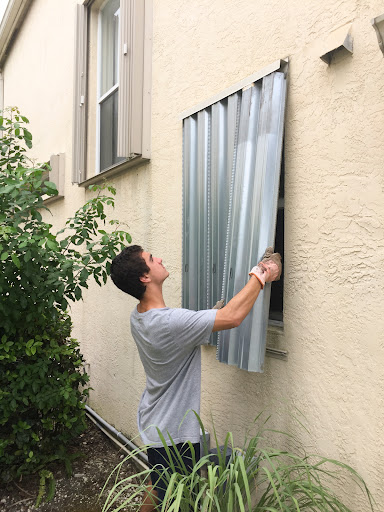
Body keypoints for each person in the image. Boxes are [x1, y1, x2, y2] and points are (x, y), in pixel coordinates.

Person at [110, 245, 282, 511]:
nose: (160, 258)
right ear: (145, 277)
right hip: (174, 436)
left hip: (156, 423)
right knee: (180, 500)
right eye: (152, 259)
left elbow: (177, 335)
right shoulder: (171, 323)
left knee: (158, 484)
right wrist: (262, 273)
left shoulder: (139, 316)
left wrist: (201, 322)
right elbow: (233, 317)